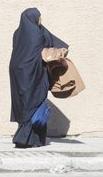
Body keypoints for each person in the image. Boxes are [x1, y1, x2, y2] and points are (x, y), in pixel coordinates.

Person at [9, 8, 69, 148]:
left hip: (17, 72)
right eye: (40, 17)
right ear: (34, 18)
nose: (41, 19)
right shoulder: (38, 33)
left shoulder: (17, 33)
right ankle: (28, 138)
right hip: (35, 72)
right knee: (35, 100)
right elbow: (55, 44)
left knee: (24, 101)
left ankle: (28, 138)